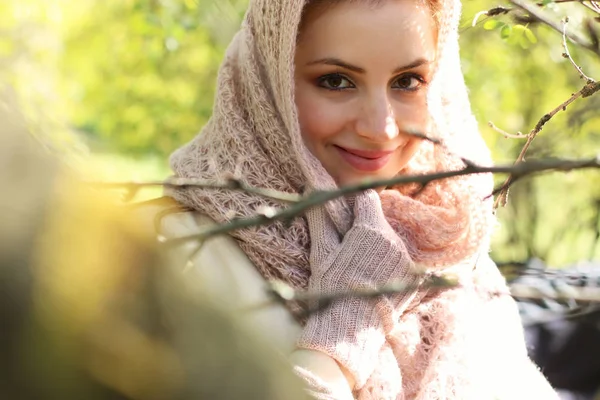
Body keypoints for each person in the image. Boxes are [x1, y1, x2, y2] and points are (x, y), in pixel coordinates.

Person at [158, 0, 560, 398]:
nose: (380, 129)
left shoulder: (444, 236)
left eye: (406, 81)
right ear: (267, 81)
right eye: (336, 81)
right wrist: (345, 333)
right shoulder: (179, 256)